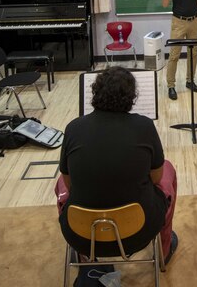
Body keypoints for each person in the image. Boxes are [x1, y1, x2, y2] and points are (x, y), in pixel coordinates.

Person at [55, 66, 179, 264]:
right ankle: (163, 250)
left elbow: (69, 183)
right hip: (138, 233)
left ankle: (82, 257)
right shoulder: (144, 126)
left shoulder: (74, 128)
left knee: (60, 183)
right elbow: (156, 178)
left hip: (80, 235)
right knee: (168, 170)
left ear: (95, 93)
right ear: (131, 97)